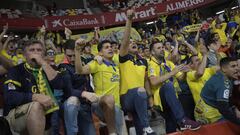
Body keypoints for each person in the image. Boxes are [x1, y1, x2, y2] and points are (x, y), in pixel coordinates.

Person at [3, 40, 70, 135]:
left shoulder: (49, 69)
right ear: (25, 55)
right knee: (36, 105)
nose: (36, 52)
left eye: (39, 50)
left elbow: (60, 85)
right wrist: (35, 97)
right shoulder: (16, 70)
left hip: (46, 118)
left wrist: (43, 63)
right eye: (32, 50)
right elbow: (9, 97)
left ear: (44, 54)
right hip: (15, 117)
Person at [148, 41, 201, 133]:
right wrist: (172, 72)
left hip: (172, 98)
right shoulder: (150, 64)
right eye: (158, 48)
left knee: (171, 125)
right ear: (152, 52)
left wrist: (185, 71)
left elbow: (181, 78)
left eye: (162, 47)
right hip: (160, 99)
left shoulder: (168, 63)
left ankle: (177, 126)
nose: (162, 49)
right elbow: (153, 81)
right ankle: (182, 120)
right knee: (168, 85)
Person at [75, 39, 125, 135]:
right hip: (100, 104)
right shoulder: (97, 64)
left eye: (111, 47)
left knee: (117, 111)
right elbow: (79, 70)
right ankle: (112, 133)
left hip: (117, 107)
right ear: (100, 53)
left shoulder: (116, 64)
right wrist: (77, 51)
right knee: (110, 99)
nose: (110, 48)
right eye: (106, 47)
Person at [119, 9, 155, 135]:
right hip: (126, 98)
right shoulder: (123, 58)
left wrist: (150, 98)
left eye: (134, 42)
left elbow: (146, 81)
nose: (132, 42)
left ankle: (143, 129)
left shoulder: (143, 61)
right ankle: (147, 127)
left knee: (139, 126)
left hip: (141, 97)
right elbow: (124, 41)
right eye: (130, 42)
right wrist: (129, 20)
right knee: (140, 91)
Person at [58, 39, 95, 135]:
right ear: (64, 52)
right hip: (70, 106)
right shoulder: (63, 67)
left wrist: (99, 57)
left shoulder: (83, 61)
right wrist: (84, 93)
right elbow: (68, 91)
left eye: (75, 55)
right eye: (69, 56)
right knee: (73, 100)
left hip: (86, 106)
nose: (73, 59)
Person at [195, 57, 240, 124]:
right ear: (224, 69)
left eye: (237, 66)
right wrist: (237, 121)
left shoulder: (222, 75)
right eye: (233, 66)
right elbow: (223, 108)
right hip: (210, 114)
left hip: (203, 107)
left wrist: (234, 108)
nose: (237, 68)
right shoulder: (223, 83)